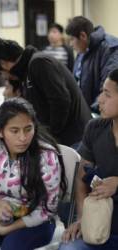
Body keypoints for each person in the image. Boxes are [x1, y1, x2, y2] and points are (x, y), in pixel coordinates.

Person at [0, 98, 67, 250]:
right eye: (14, 131)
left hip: (37, 220)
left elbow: (48, 207)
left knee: (12, 246)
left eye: (28, 129)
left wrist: (8, 229)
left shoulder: (46, 155)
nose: (23, 138)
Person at [0, 36, 92, 147]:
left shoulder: (39, 63)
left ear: (3, 63)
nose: (5, 78)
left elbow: (60, 101)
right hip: (63, 139)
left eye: (0, 73)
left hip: (74, 139)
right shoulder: (27, 71)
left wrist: (48, 137)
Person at [59, 69, 118, 250]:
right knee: (68, 248)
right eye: (102, 92)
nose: (99, 99)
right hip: (100, 223)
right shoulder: (95, 127)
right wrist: (83, 218)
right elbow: (81, 176)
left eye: (107, 94)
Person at [66, 16, 118, 112]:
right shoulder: (82, 50)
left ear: (83, 36)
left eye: (72, 39)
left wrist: (90, 113)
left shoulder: (110, 48)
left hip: (101, 115)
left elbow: (107, 89)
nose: (70, 44)